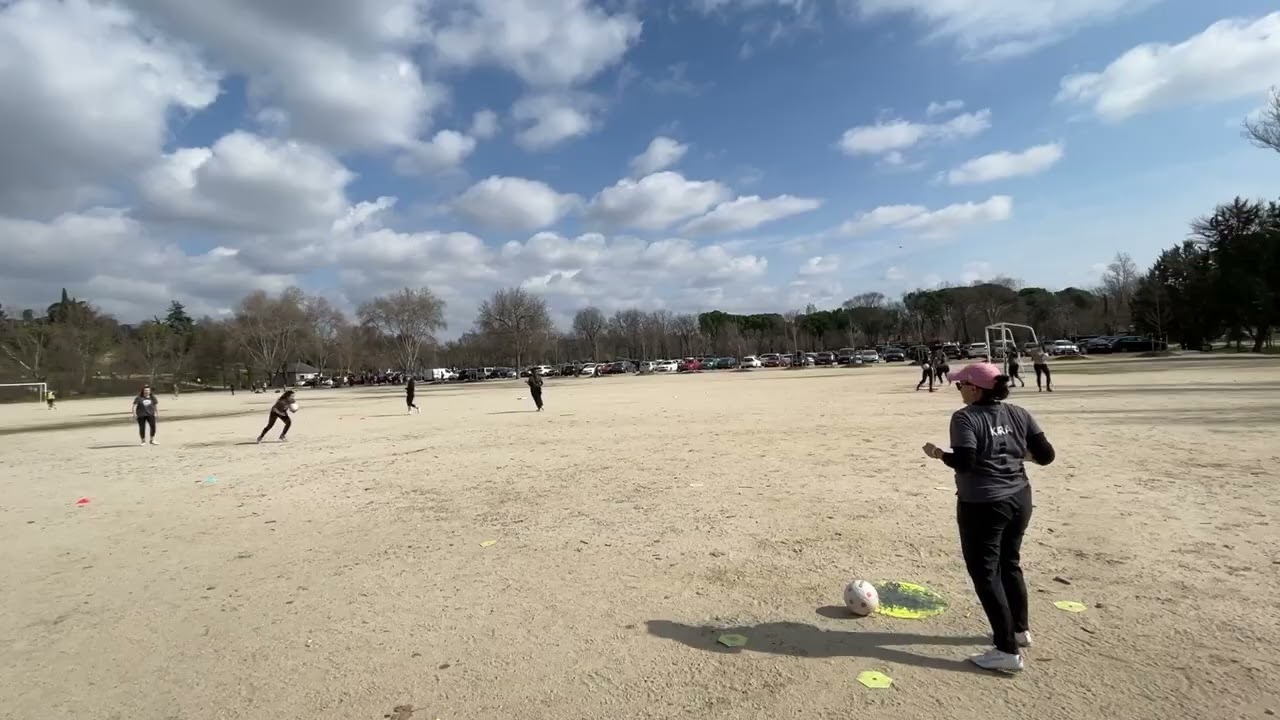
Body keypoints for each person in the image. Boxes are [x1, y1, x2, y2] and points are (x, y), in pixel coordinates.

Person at [921, 362, 1055, 672]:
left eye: (961, 385)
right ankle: (1019, 630)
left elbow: (965, 462)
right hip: (1019, 498)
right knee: (1009, 563)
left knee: (985, 574)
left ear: (975, 388)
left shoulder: (965, 417)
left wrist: (939, 454)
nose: (959, 390)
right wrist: (1014, 455)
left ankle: (1006, 649)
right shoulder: (1018, 413)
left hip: (983, 503)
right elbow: (1046, 455)